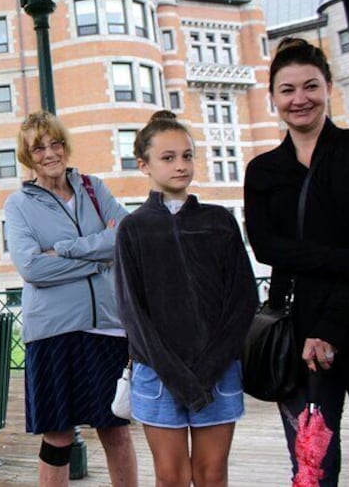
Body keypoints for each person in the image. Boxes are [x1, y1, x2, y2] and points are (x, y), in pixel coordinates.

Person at [114, 110, 258, 487]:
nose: (181, 165)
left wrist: (208, 369)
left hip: (218, 373)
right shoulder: (134, 229)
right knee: (171, 478)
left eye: (187, 156)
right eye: (168, 157)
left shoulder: (219, 221)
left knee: (212, 476)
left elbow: (243, 300)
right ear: (143, 165)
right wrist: (178, 376)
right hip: (159, 377)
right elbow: (133, 314)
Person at [3, 111, 137, 487]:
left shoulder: (95, 188)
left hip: (107, 327)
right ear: (28, 156)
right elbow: (32, 269)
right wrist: (97, 261)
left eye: (55, 143)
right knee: (57, 433)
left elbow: (125, 237)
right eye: (38, 147)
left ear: (65, 146)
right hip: (52, 332)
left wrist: (64, 250)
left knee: (115, 428)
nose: (49, 153)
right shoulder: (18, 204)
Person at [244, 37, 349, 486]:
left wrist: (329, 328)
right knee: (313, 467)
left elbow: (286, 251)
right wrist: (343, 256)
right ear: (273, 98)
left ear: (328, 86)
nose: (299, 99)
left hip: (342, 319)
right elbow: (266, 248)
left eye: (310, 86)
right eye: (287, 90)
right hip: (297, 338)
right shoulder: (263, 170)